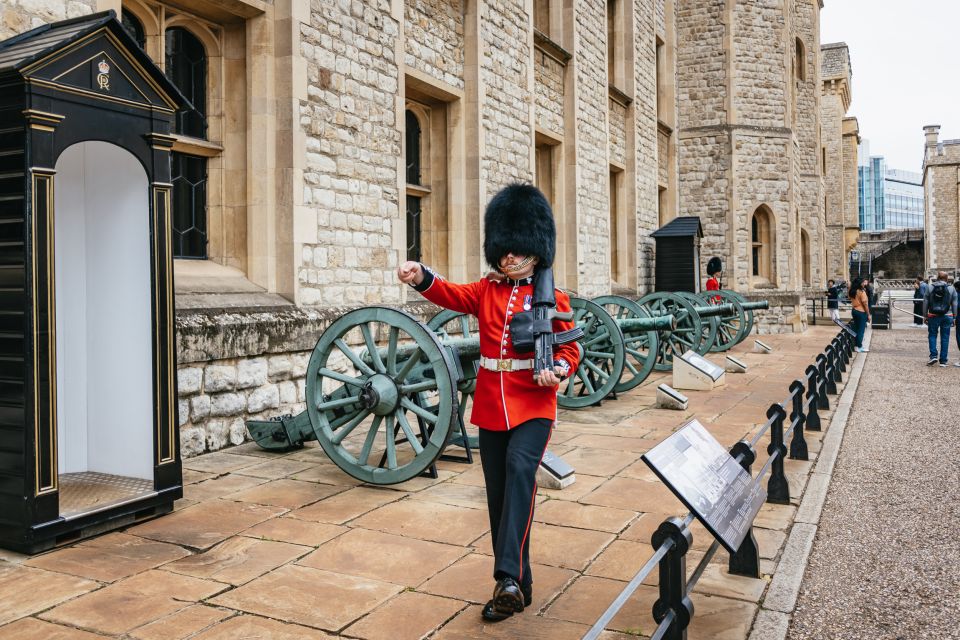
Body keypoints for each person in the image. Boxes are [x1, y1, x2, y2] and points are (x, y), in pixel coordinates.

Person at [397, 183, 580, 622]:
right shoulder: (489, 291)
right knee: (499, 496)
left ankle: (506, 576)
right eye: (503, 251)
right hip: (491, 406)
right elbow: (451, 294)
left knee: (521, 471)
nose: (509, 258)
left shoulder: (553, 298)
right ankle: (517, 587)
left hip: (534, 404)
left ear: (536, 250)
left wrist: (558, 369)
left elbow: (571, 349)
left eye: (517, 250)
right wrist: (420, 275)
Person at [924, 271, 958, 366]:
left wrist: (925, 315)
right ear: (947, 279)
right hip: (947, 316)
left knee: (932, 335)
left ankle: (933, 356)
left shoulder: (930, 287)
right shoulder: (951, 288)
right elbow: (955, 303)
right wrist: (955, 317)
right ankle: (943, 361)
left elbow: (925, 302)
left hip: (933, 315)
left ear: (937, 277)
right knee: (945, 338)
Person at [849, 277, 870, 352]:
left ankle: (856, 346)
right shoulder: (862, 292)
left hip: (854, 310)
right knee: (861, 330)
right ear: (859, 283)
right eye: (862, 282)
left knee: (856, 329)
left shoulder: (852, 291)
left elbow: (850, 299)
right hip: (861, 312)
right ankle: (859, 346)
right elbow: (865, 304)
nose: (864, 284)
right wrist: (868, 314)